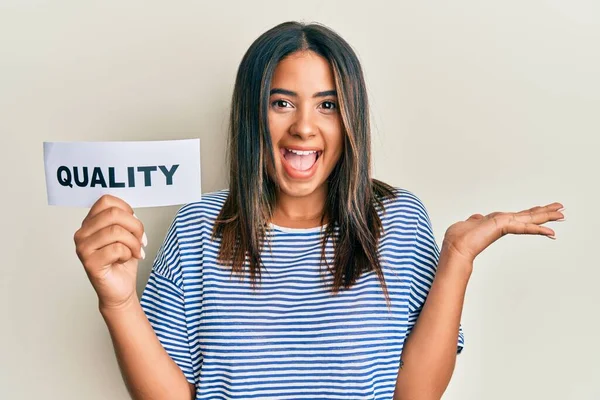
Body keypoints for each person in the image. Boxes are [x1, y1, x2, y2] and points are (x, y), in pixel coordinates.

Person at [73, 21, 564, 400]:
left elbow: (415, 394)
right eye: (281, 103)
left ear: (350, 118)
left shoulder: (397, 219)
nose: (304, 127)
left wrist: (456, 258)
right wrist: (117, 301)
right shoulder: (198, 227)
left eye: (327, 105)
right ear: (252, 116)